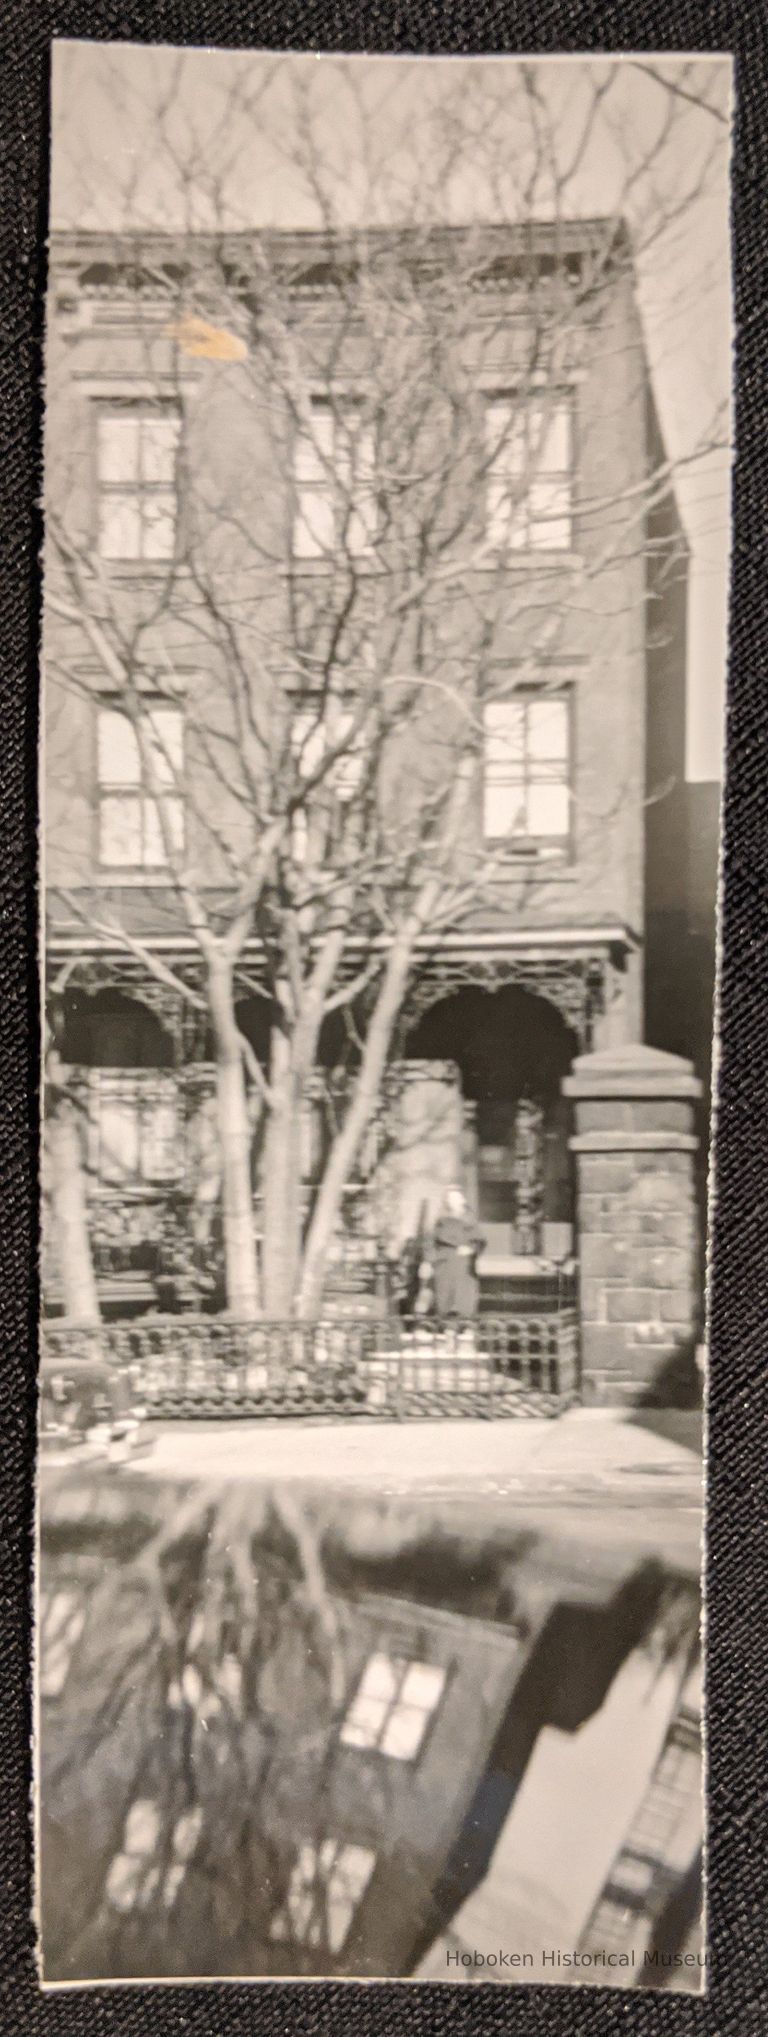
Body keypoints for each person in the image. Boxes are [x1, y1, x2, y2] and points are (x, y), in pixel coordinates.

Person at [431, 1186, 483, 1321]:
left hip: (463, 1263)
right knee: (444, 1296)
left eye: (455, 1198)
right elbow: (432, 1241)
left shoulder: (469, 1220)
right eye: (450, 1198)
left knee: (463, 1297)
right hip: (445, 1262)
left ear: (462, 1200)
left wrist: (470, 1249)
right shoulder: (441, 1221)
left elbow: (478, 1240)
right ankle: (444, 1325)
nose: (452, 1201)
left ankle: (465, 1324)